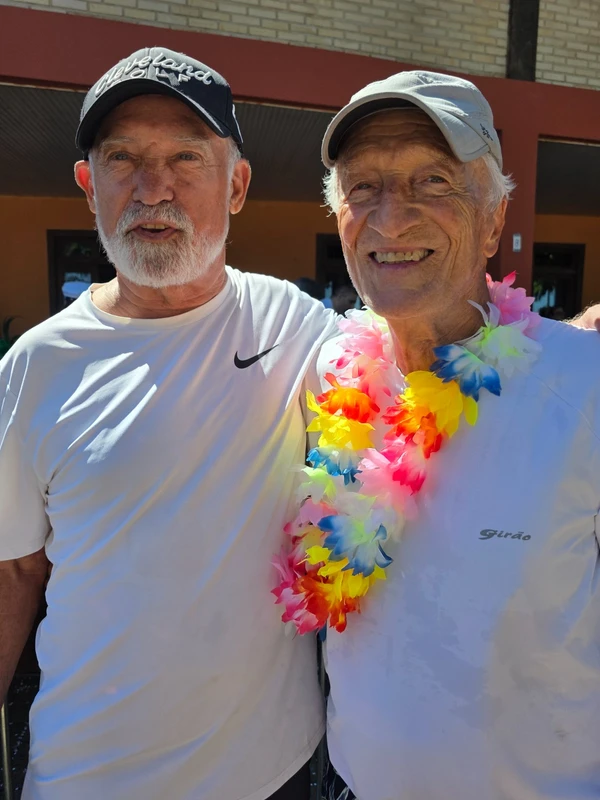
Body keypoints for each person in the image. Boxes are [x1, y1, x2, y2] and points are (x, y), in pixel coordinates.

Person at [0, 47, 339, 800]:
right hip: (87, 774)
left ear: (238, 184)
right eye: (123, 159)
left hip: (270, 774)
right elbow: (16, 567)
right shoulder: (37, 366)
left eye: (187, 158)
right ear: (89, 186)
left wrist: (573, 338)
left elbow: (429, 354)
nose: (154, 190)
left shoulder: (302, 327)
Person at [274, 71, 600, 800]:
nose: (391, 220)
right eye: (363, 187)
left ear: (493, 219)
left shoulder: (586, 383)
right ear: (339, 220)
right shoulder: (329, 370)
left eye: (433, 182)